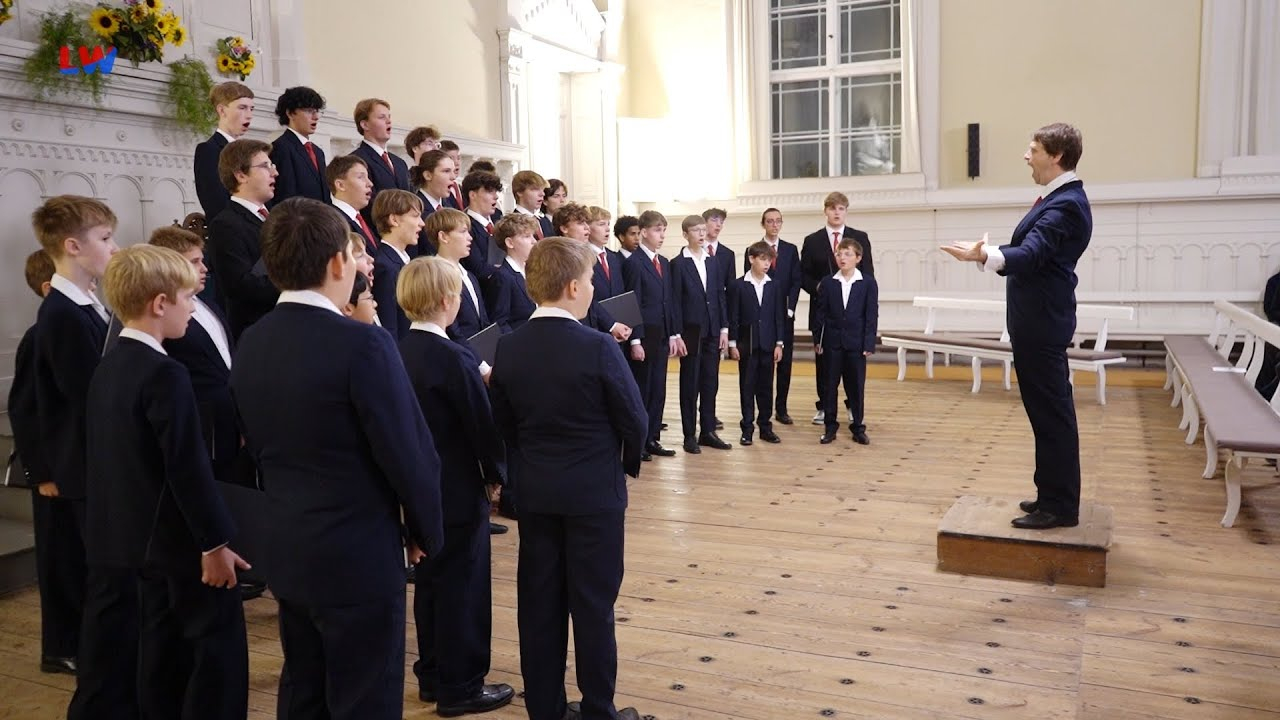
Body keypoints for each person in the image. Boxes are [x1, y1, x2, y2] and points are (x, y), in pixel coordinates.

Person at [231, 197, 444, 719]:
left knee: (304, 689)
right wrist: (425, 530)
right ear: (336, 264)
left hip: (289, 546)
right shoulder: (362, 344)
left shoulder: (252, 340)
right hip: (358, 554)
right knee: (363, 697)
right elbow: (407, 450)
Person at [87, 244, 249, 720]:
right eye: (187, 297)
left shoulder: (111, 365)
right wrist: (215, 543)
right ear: (160, 303)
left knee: (160, 657)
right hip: (180, 549)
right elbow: (186, 467)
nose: (193, 306)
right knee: (212, 657)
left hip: (134, 543)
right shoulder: (166, 373)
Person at [489, 238, 648, 720]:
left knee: (540, 605)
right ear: (574, 286)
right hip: (593, 495)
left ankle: (545, 708)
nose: (596, 288)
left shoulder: (508, 348)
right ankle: (598, 709)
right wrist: (624, 465)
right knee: (594, 606)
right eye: (593, 281)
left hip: (535, 492)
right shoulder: (597, 345)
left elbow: (503, 423)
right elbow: (634, 419)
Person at [941, 122, 1091, 530]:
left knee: (1052, 414)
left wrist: (982, 255)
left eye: (1033, 149)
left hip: (1042, 324)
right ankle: (1050, 493)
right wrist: (988, 253)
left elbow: (1033, 252)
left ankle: (1060, 507)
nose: (1027, 156)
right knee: (1044, 413)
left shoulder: (1067, 204)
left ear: (1056, 155)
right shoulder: (1059, 199)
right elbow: (1031, 253)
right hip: (1038, 322)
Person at [397, 256, 514, 716]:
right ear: (448, 299)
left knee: (429, 582)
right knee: (464, 587)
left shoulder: (397, 349)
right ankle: (461, 686)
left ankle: (431, 674)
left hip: (421, 488)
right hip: (458, 485)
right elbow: (481, 425)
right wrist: (496, 476)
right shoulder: (453, 355)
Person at [29, 196, 131, 720]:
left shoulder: (89, 305)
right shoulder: (63, 315)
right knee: (105, 589)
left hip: (100, 469)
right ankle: (98, 698)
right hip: (89, 473)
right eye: (106, 239)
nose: (114, 248)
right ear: (73, 247)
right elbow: (87, 399)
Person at [8, 250, 83, 677]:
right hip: (52, 472)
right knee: (58, 562)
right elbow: (25, 410)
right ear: (48, 287)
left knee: (74, 559)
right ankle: (59, 647)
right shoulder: (40, 335)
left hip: (69, 466)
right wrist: (42, 474)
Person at [801, 192, 874, 425]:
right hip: (824, 312)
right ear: (825, 211)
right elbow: (803, 276)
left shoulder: (859, 237)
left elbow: (869, 274)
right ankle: (824, 406)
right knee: (824, 364)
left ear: (846, 211)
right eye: (832, 208)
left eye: (841, 208)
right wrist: (819, 286)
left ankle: (853, 406)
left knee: (853, 367)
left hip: (852, 314)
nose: (836, 212)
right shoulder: (812, 240)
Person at [207, 138, 279, 341]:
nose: (275, 172)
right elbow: (241, 287)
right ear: (240, 175)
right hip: (257, 333)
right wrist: (297, 281)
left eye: (272, 165)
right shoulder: (225, 224)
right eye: (265, 166)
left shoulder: (275, 216)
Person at [623, 210, 682, 460]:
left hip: (661, 335)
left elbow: (668, 301)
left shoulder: (664, 262)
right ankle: (640, 441)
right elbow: (633, 302)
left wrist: (672, 334)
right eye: (658, 230)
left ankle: (653, 437)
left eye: (664, 230)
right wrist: (635, 339)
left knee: (659, 389)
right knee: (643, 389)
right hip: (644, 336)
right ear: (644, 232)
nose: (662, 235)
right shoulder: (634, 263)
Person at [670, 215, 729, 454]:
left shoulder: (713, 262)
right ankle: (689, 435)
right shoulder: (678, 263)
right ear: (685, 234)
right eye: (696, 231)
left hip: (713, 330)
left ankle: (708, 431)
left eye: (703, 230)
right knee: (690, 384)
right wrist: (676, 333)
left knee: (709, 382)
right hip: (690, 331)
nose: (702, 234)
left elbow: (719, 295)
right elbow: (674, 301)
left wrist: (724, 329)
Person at [813, 239, 878, 446]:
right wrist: (818, 340)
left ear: (858, 258)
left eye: (848, 254)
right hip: (832, 343)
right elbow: (820, 314)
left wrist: (868, 344)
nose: (842, 258)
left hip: (856, 344)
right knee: (829, 386)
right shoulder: (829, 282)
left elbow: (871, 315)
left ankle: (858, 427)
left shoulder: (867, 282)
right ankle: (830, 427)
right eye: (839, 254)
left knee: (856, 388)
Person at [728, 241, 785, 445]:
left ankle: (765, 427)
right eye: (762, 259)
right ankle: (747, 428)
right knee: (747, 386)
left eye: (769, 259)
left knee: (766, 387)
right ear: (751, 259)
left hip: (768, 343)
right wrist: (733, 343)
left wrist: (779, 343)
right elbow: (733, 316)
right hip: (747, 343)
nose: (767, 263)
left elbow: (779, 316)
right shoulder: (738, 285)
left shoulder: (774, 285)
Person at [750, 208, 802, 424]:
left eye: (778, 221)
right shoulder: (753, 250)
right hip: (763, 319)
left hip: (785, 315)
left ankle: (781, 408)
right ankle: (764, 411)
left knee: (785, 362)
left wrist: (790, 308)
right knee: (763, 364)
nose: (774, 225)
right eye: (770, 221)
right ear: (763, 224)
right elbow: (751, 283)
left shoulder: (790, 250)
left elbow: (796, 281)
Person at [194, 82, 254, 220]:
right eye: (242, 108)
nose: (249, 115)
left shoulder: (250, 152)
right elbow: (215, 204)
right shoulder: (209, 150)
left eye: (252, 108)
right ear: (222, 110)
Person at [371, 189, 425, 337]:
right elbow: (390, 329)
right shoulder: (385, 267)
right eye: (415, 216)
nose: (422, 223)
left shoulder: (403, 261)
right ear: (394, 220)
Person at [350, 98, 410, 229]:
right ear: (365, 125)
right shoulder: (356, 160)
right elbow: (368, 204)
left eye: (389, 117)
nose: (389, 121)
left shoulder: (400, 163)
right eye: (382, 117)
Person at [269, 86, 329, 206]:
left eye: (317, 110)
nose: (316, 116)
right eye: (309, 110)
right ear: (290, 113)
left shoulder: (318, 152)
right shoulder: (281, 148)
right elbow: (285, 197)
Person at [484, 213, 538, 333]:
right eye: (526, 236)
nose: (534, 241)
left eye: (533, 236)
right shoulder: (503, 277)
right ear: (510, 243)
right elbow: (500, 322)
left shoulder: (532, 272)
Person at [327, 154, 378, 254]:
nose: (370, 184)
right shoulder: (332, 222)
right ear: (340, 185)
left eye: (368, 177)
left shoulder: (362, 219)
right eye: (361, 177)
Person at [462, 171, 506, 279]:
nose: (495, 197)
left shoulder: (498, 218)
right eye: (489, 191)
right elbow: (478, 268)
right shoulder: (465, 225)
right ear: (473, 195)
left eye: (496, 192)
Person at [510, 170, 549, 238]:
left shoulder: (545, 221)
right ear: (519, 192)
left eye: (542, 189)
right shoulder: (512, 224)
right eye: (535, 189)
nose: (542, 194)